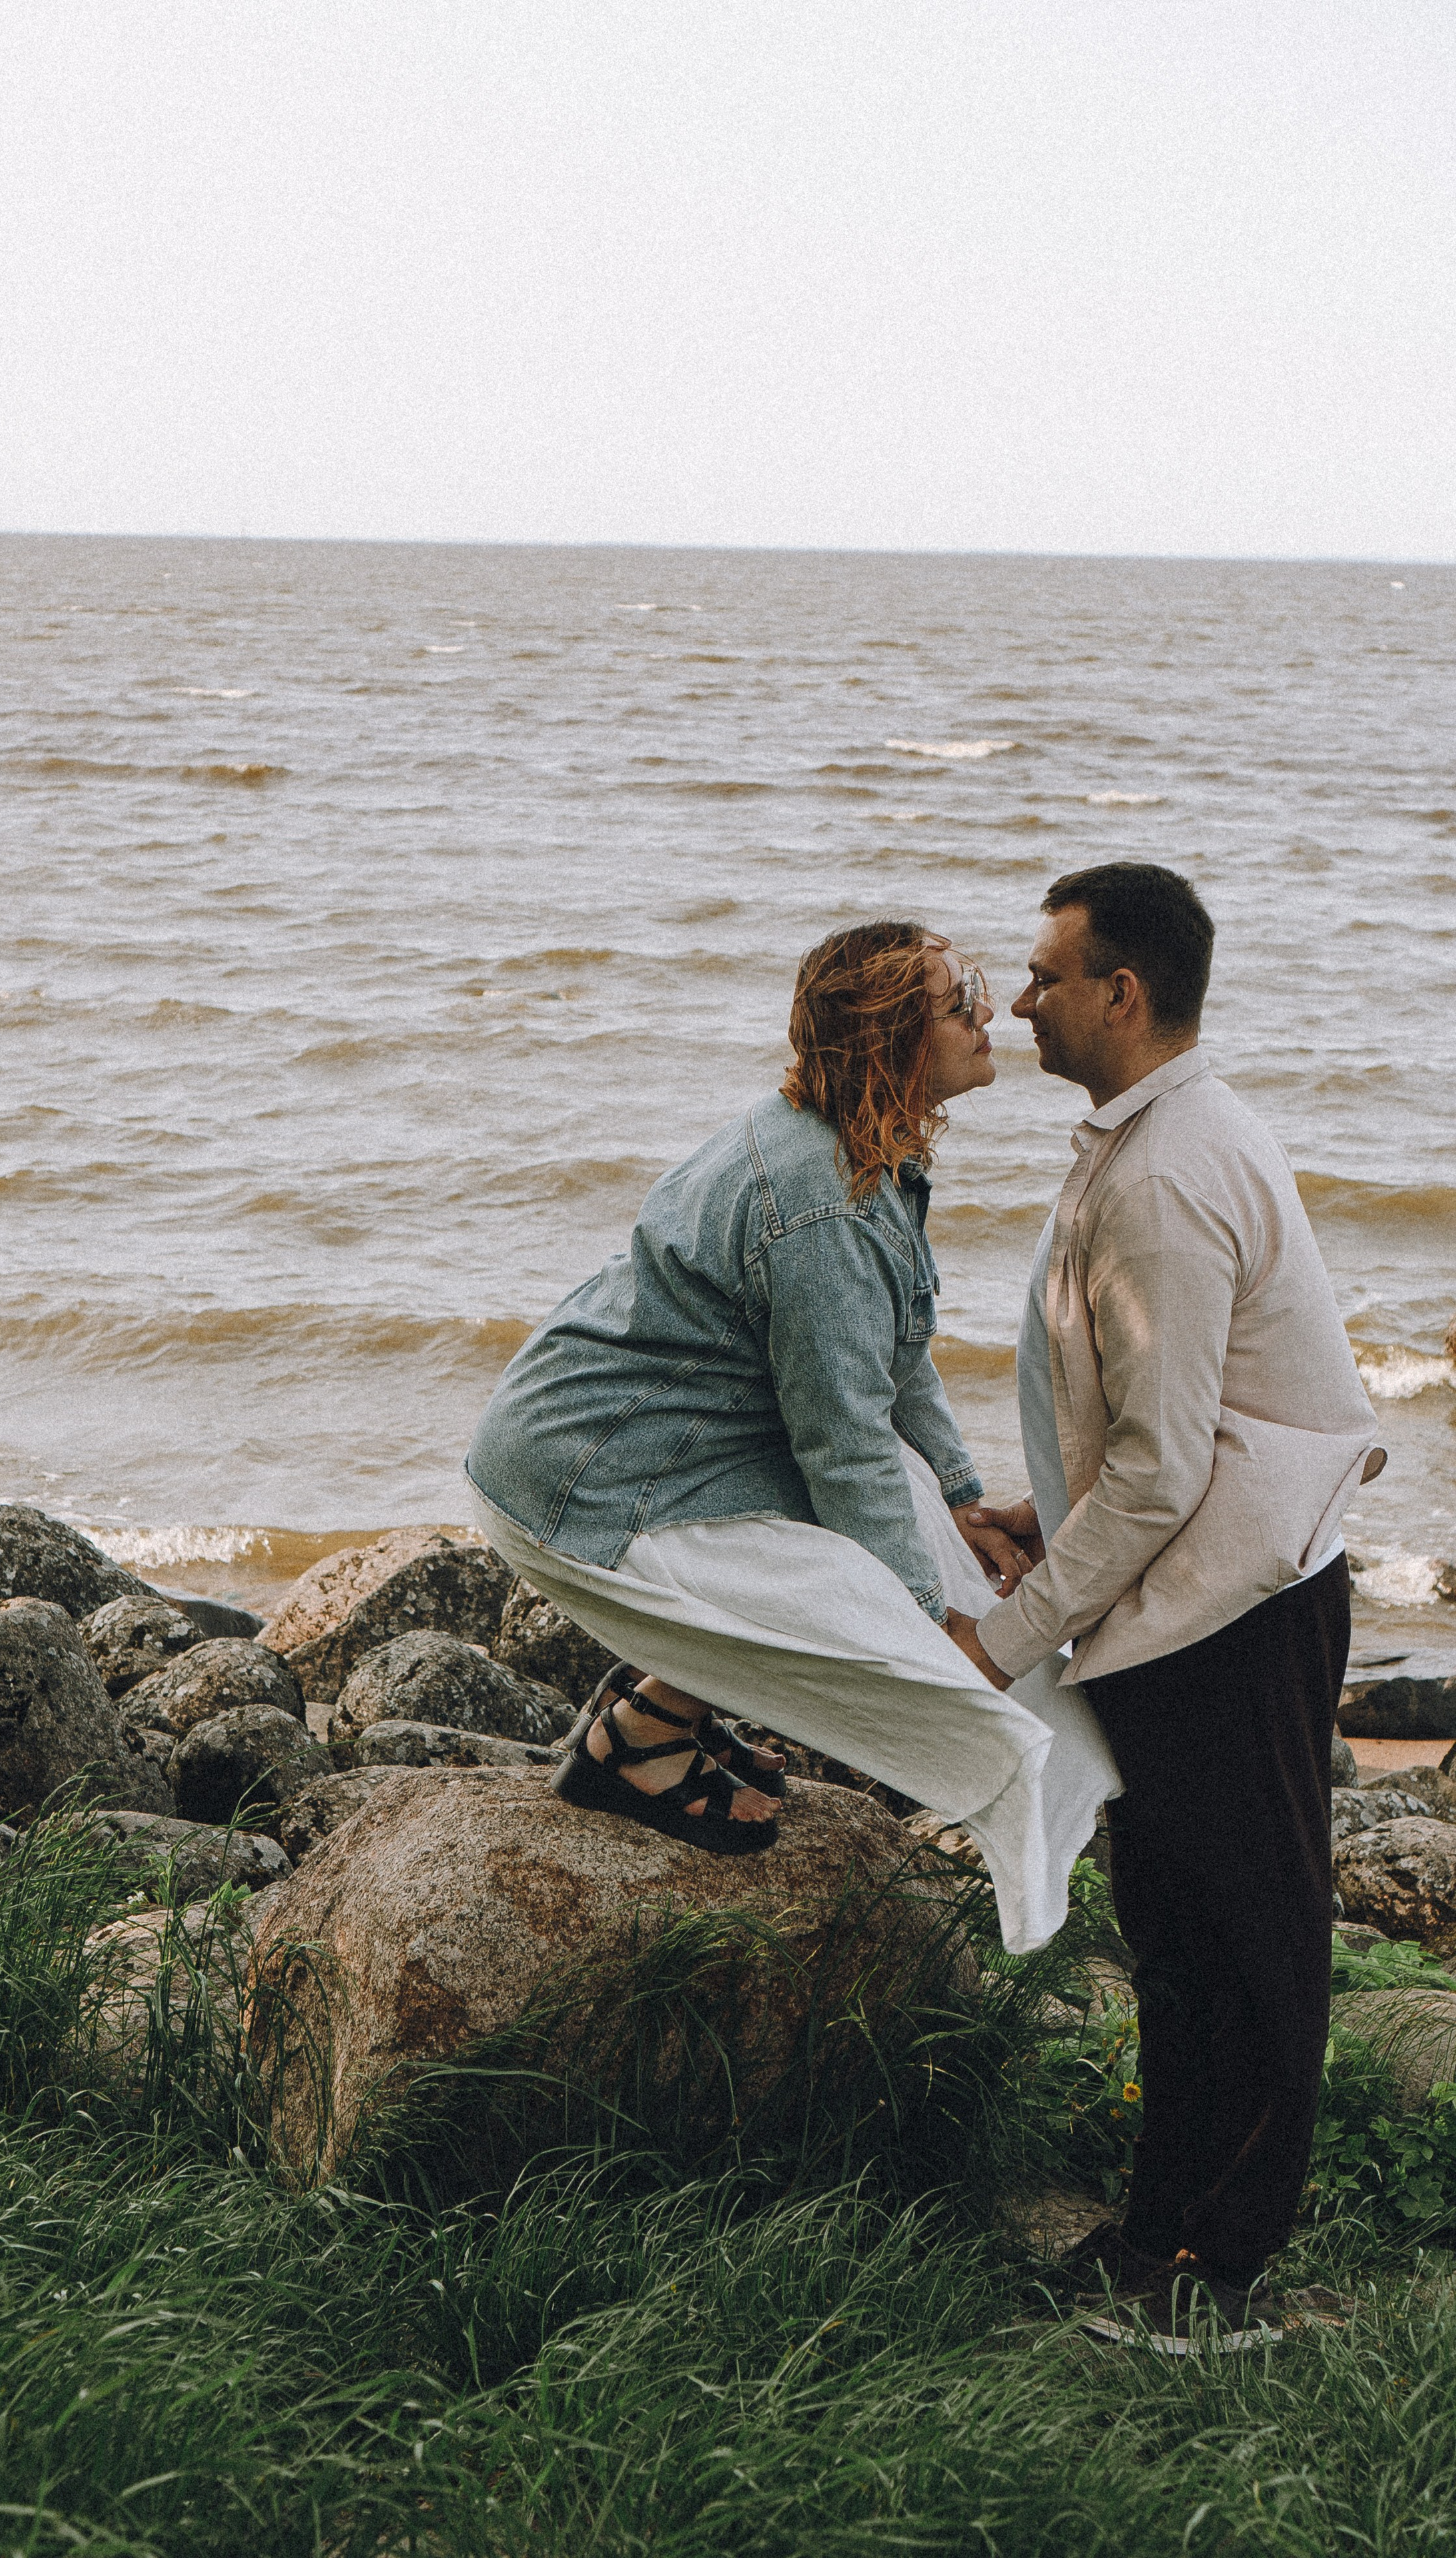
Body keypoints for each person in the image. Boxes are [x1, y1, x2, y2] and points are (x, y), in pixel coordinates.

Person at [466, 919, 1118, 1954]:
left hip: (664, 1442)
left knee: (909, 1556)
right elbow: (845, 1443)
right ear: (892, 1044)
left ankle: (658, 1712)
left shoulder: (861, 1151)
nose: (989, 1013)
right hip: (591, 1478)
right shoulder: (820, 1199)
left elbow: (891, 1360)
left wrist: (959, 1496)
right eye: (961, 1002)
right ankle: (632, 1748)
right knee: (884, 1625)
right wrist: (924, 1623)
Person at [957, 861, 1381, 2353]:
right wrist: (1041, 1518)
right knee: (1179, 1935)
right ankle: (1161, 2227)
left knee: (1247, 1935)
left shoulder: (1161, 1171)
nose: (1019, 999)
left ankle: (1219, 2270)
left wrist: (997, 1639)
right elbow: (1135, 1441)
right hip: (1181, 1591)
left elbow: (1158, 1468)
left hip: (1230, 1608)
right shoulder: (1152, 1130)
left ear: (1118, 994)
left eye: (1043, 974)